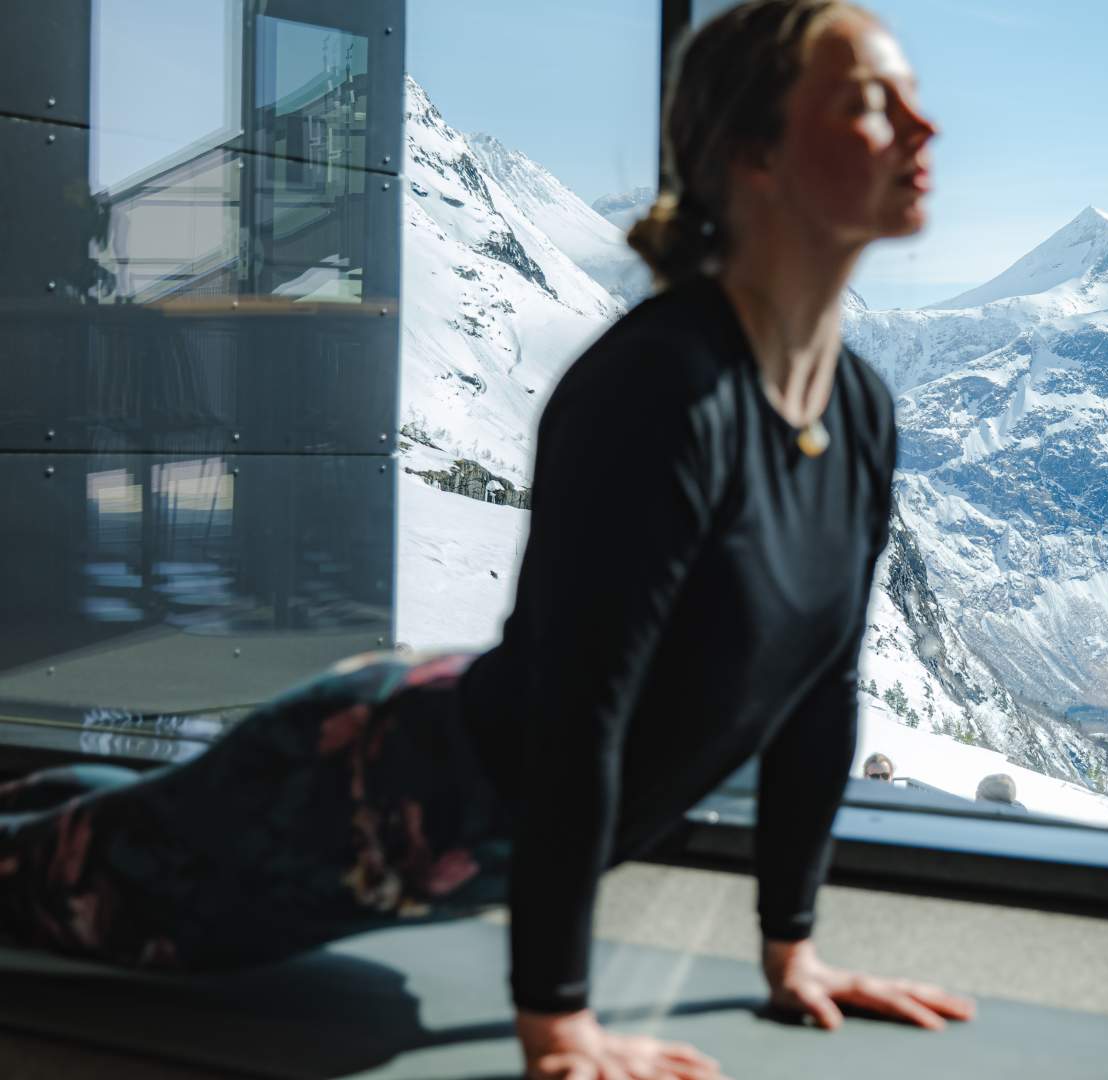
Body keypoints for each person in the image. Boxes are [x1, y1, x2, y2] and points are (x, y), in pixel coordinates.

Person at [0, 3, 976, 1078]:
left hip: (444, 763)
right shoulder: (661, 391)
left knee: (98, 828)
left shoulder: (860, 410)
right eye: (871, 106)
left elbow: (820, 691)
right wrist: (556, 1024)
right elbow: (580, 717)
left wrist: (793, 953)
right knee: (57, 892)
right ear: (752, 153)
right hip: (365, 799)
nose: (925, 130)